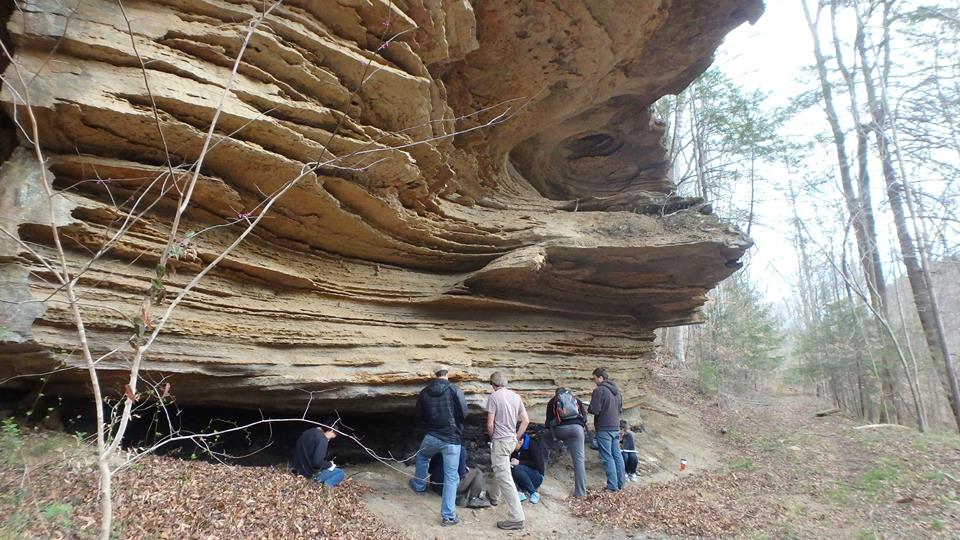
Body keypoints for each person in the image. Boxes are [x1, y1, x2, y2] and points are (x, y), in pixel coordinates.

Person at [410, 366, 468, 527]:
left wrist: (432, 424)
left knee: (422, 456)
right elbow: (464, 413)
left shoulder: (425, 392)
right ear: (447, 375)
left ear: (434, 375)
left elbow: (419, 415)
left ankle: (419, 486)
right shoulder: (454, 390)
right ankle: (448, 516)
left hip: (433, 435)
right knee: (450, 476)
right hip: (452, 439)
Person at [486, 371, 529, 531]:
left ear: (493, 384)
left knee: (505, 477)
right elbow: (526, 420)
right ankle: (493, 496)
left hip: (500, 441)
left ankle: (517, 518)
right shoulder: (516, 397)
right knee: (501, 467)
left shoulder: (494, 397)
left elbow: (490, 424)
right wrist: (516, 437)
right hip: (510, 441)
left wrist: (492, 438)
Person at [545, 387, 588, 498]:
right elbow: (584, 417)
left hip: (560, 430)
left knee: (543, 443)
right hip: (577, 430)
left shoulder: (552, 401)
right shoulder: (576, 400)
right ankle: (580, 493)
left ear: (556, 394)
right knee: (579, 460)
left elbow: (547, 423)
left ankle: (541, 472)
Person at [588, 367, 626, 491]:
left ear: (600, 378)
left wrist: (589, 407)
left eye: (595, 378)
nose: (594, 381)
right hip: (615, 427)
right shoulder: (617, 391)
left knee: (607, 457)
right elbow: (620, 409)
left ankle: (612, 486)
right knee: (617, 455)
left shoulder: (600, 390)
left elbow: (595, 409)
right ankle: (621, 484)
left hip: (604, 428)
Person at [428, 447, 492, 508]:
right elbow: (462, 474)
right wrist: (466, 469)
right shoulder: (460, 449)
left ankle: (460, 497)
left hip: (435, 486)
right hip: (448, 489)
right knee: (477, 472)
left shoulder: (438, 447)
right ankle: (474, 499)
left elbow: (430, 470)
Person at [291, 422, 345, 487]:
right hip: (308, 476)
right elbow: (317, 463)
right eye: (331, 438)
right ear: (331, 430)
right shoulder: (322, 439)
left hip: (297, 471)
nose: (329, 440)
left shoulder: (307, 432)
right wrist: (330, 464)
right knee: (340, 472)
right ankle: (327, 487)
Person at [510, 432, 545, 504]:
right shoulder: (517, 447)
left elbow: (537, 464)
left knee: (517, 468)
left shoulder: (533, 445)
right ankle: (521, 492)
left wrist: (520, 462)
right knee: (512, 468)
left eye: (513, 444)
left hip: (537, 477)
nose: (512, 447)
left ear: (520, 441)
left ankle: (534, 493)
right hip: (523, 475)